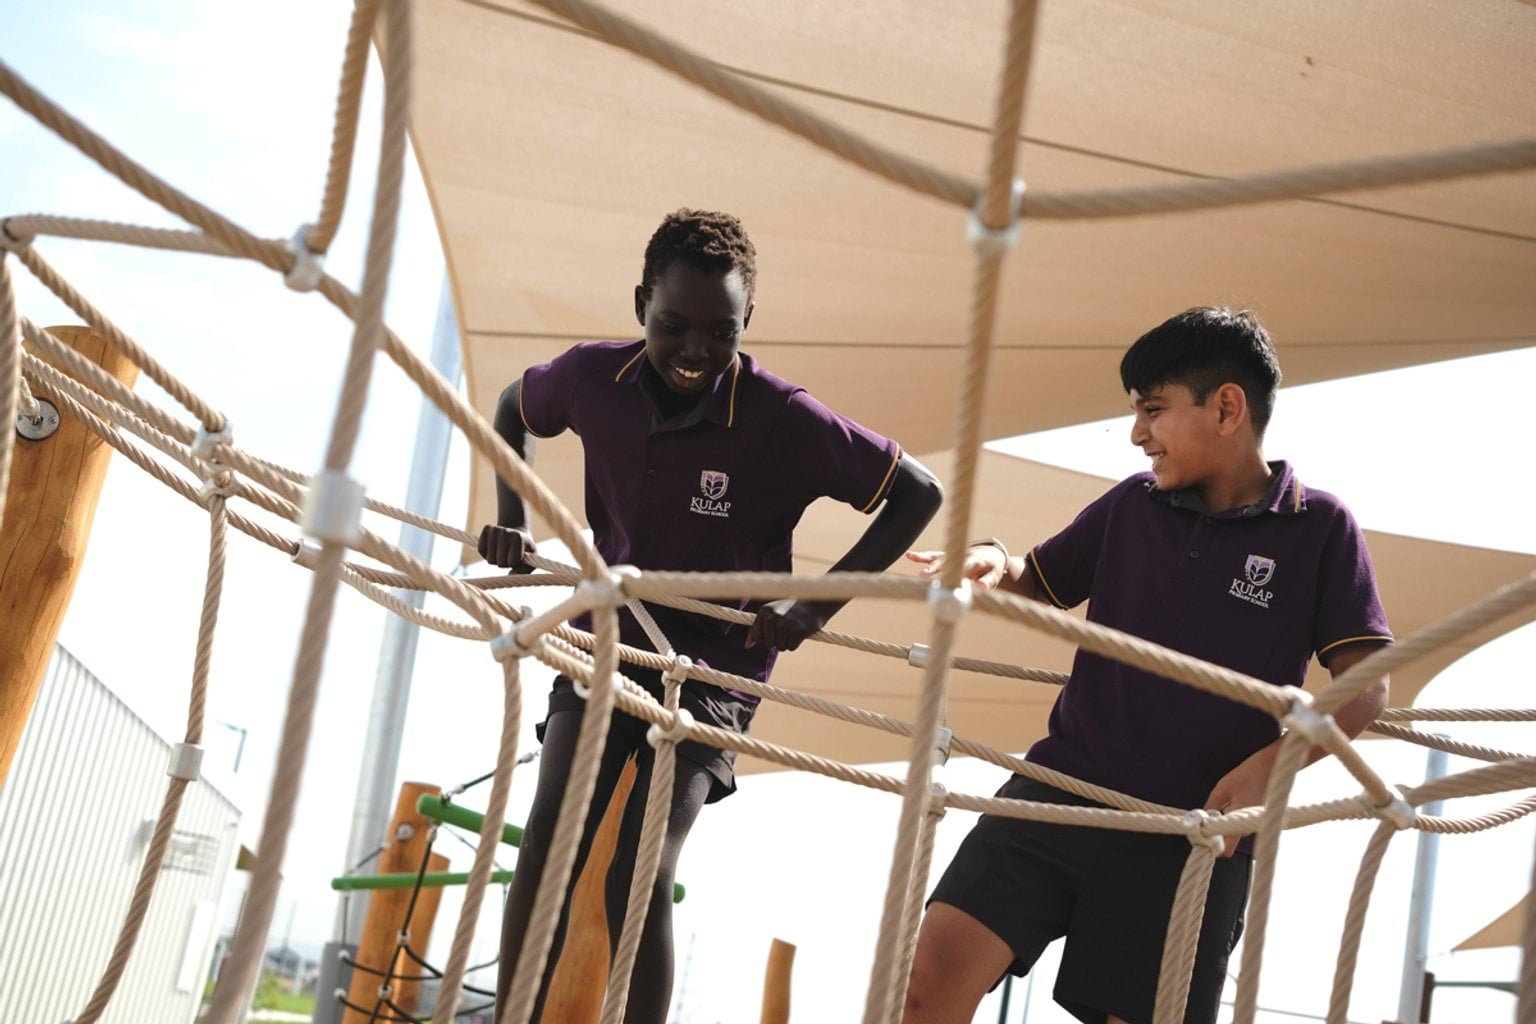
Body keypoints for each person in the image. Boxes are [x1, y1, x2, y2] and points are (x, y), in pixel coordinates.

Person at [481, 209, 943, 1022]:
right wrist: (512, 519)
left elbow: (917, 495)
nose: (695, 349)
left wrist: (813, 606)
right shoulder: (595, 379)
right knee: (552, 838)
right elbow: (514, 407)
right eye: (674, 325)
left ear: (747, 325)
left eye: (719, 332)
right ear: (640, 307)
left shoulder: (783, 418)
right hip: (609, 633)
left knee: (640, 869)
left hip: (716, 666)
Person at [901, 307, 1393, 1024]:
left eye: (1153, 411)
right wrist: (990, 562)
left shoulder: (1318, 528)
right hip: (1057, 792)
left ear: (1227, 407)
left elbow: (1367, 686)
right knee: (923, 987)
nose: (1137, 435)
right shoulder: (1133, 505)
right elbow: (1038, 578)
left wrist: (1267, 771)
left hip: (1189, 835)